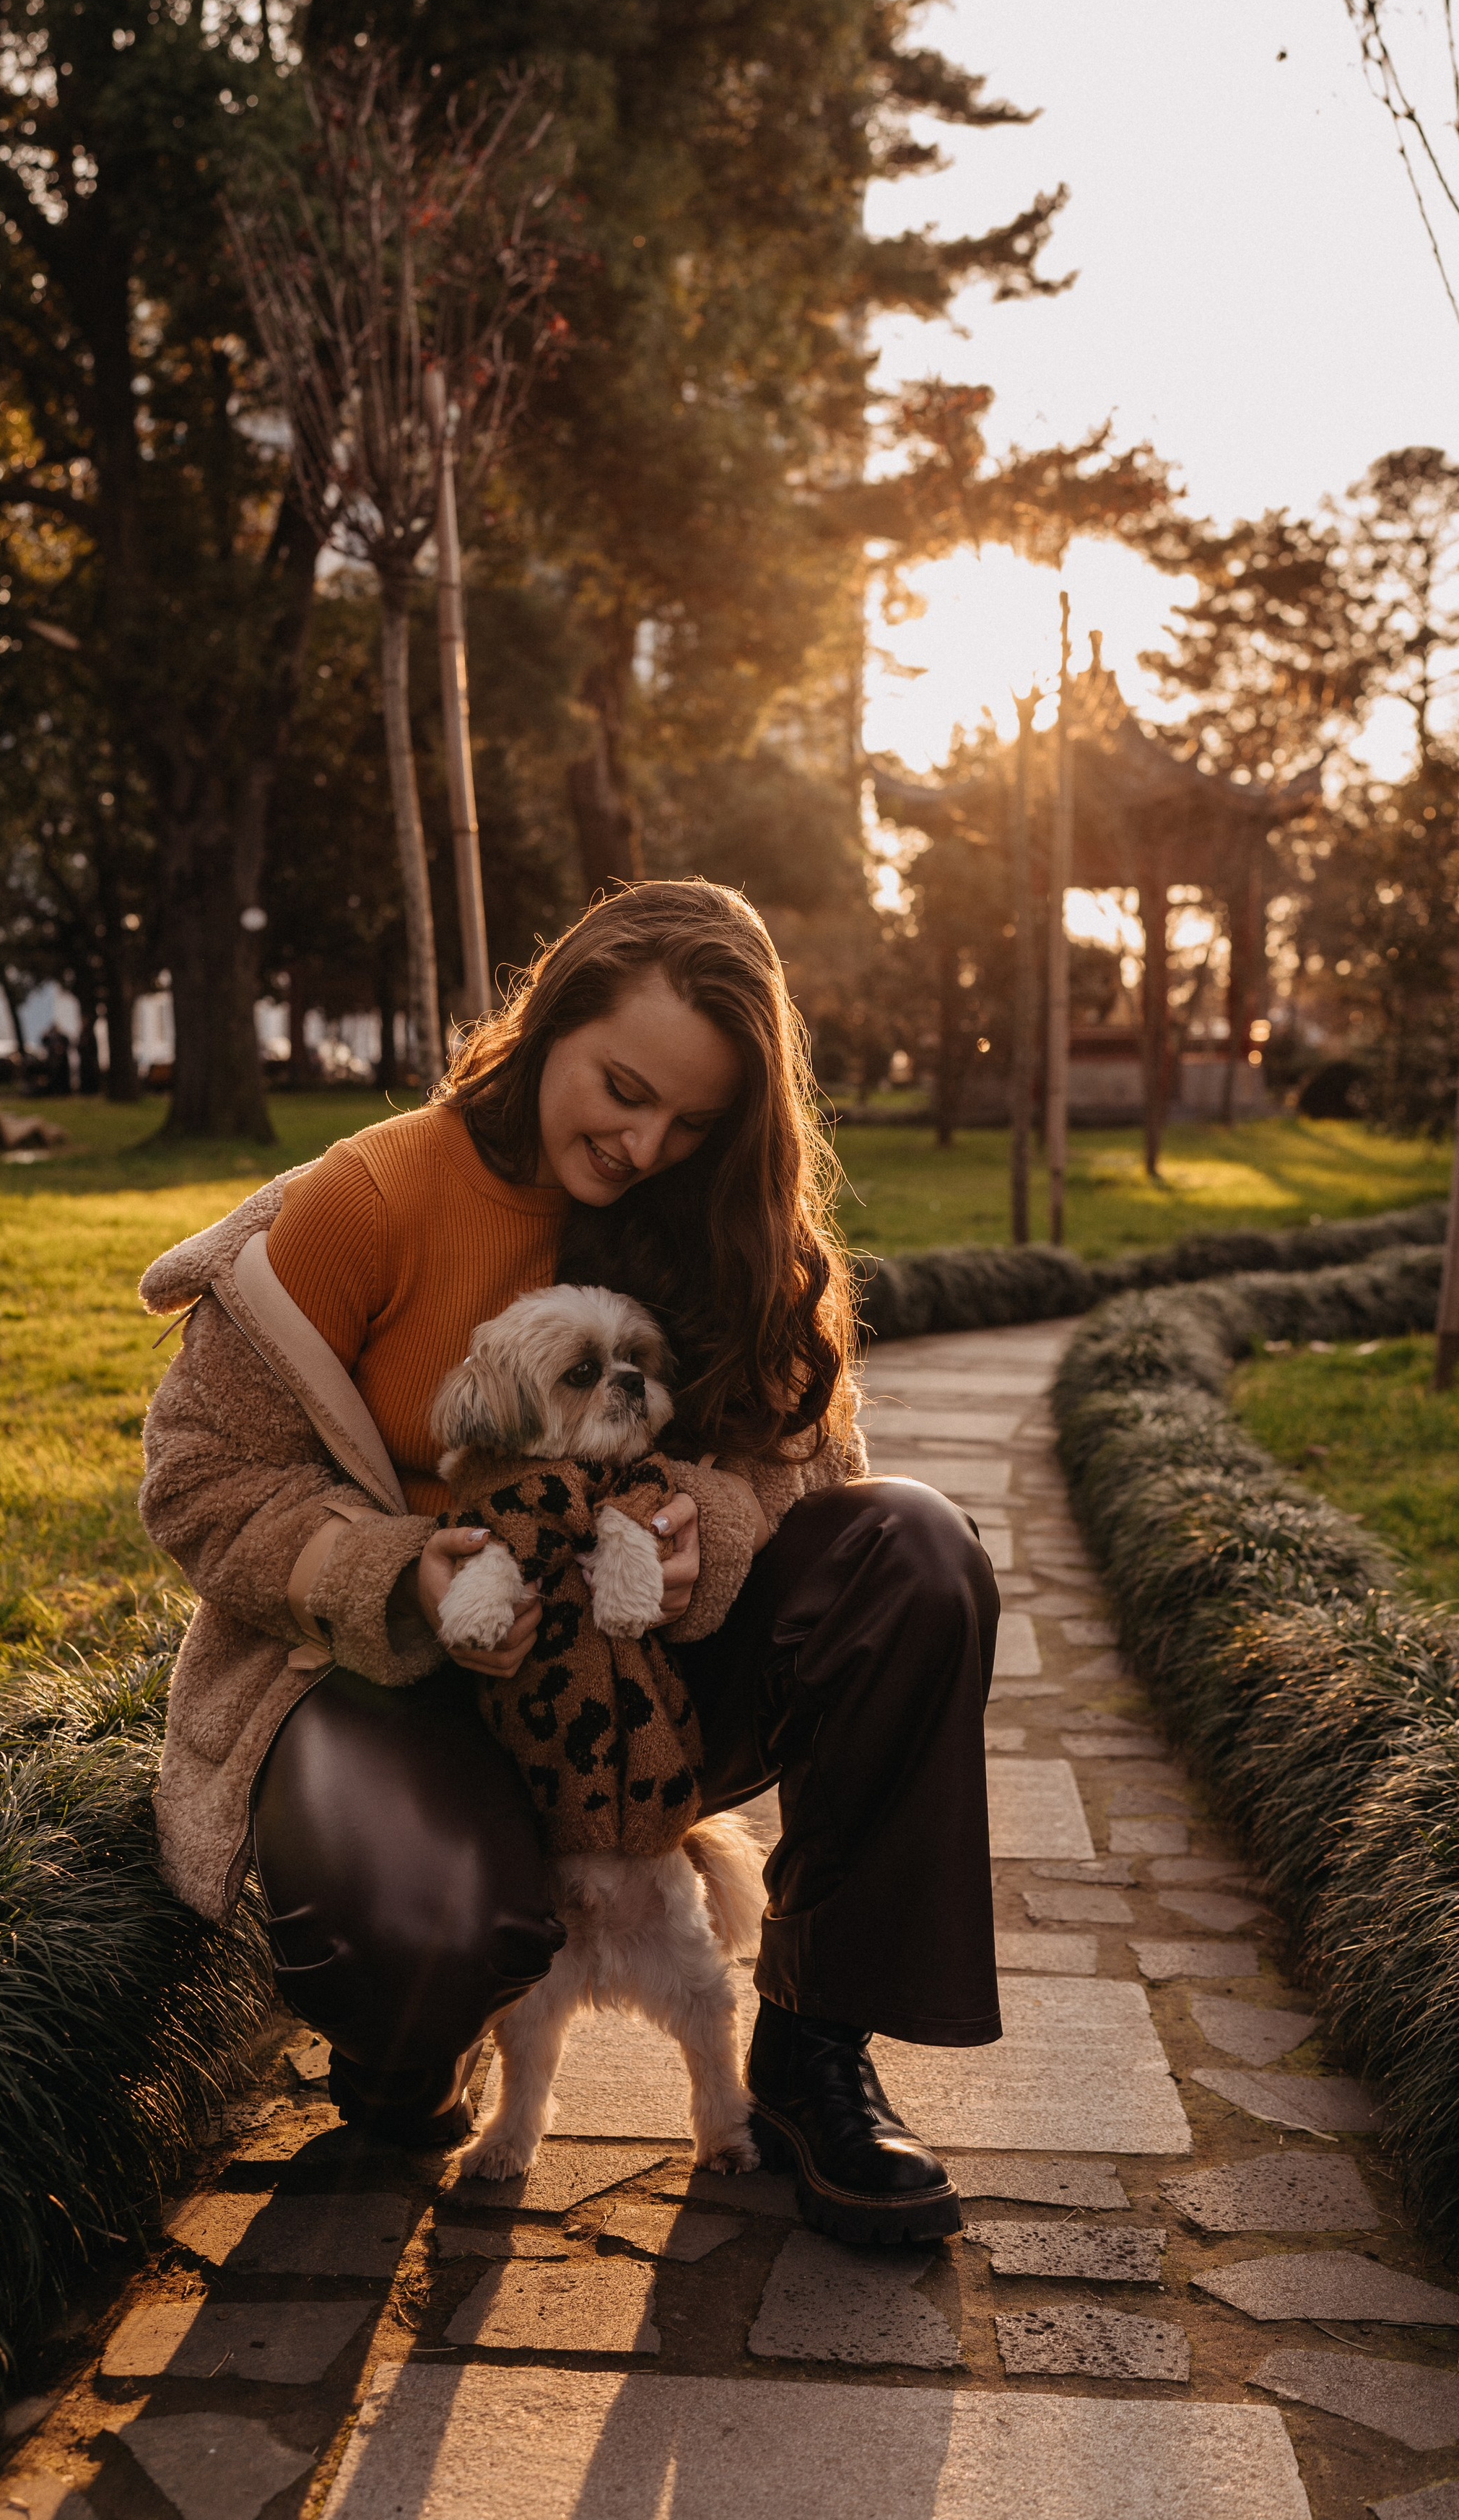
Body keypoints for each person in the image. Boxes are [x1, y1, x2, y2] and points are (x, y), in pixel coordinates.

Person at [137, 880, 999, 2243]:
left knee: (918, 1552)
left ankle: (817, 2048)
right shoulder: (369, 1199)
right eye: (622, 1086)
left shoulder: (729, 1226)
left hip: (644, 1687)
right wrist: (397, 1571)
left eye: (696, 1121)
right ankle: (412, 2039)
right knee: (428, 1949)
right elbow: (200, 1476)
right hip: (408, 1689)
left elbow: (807, 1472)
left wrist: (704, 1527)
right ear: (547, 1022)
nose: (648, 1142)